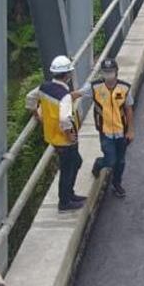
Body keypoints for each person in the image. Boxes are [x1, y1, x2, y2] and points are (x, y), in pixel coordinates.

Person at [27, 55, 85, 211]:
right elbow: (65, 118)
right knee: (68, 169)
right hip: (64, 140)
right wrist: (69, 136)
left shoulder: (44, 87)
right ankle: (65, 202)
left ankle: (69, 194)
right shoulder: (64, 96)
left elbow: (30, 98)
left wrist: (35, 113)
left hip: (52, 136)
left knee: (76, 163)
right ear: (67, 75)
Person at [90, 58, 135, 198]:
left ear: (116, 72)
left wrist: (130, 130)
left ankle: (116, 184)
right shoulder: (95, 87)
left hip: (121, 131)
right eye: (105, 72)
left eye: (111, 72)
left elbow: (128, 109)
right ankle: (99, 163)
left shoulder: (124, 88)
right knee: (111, 160)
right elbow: (76, 95)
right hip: (105, 132)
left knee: (120, 161)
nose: (108, 75)